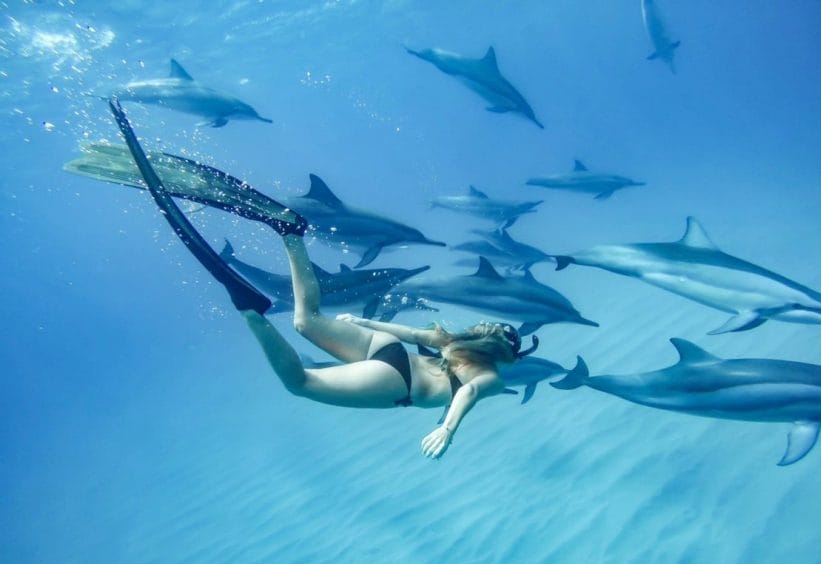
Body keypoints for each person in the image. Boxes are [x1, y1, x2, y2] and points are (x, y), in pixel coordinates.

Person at [108, 97, 537, 459]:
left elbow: (408, 331)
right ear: (505, 358)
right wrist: (447, 428)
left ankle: (291, 236)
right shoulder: (493, 378)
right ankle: (252, 313)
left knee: (305, 319)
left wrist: (364, 323)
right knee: (301, 382)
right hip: (396, 382)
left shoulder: (453, 342)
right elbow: (468, 395)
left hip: (388, 350)